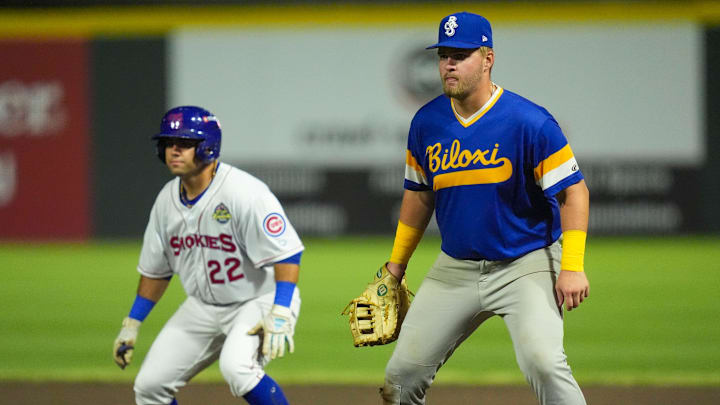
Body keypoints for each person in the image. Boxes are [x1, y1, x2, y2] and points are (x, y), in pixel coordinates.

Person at [378, 12, 590, 405]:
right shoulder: (426, 123)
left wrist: (572, 266)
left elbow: (574, 193)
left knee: (544, 363)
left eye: (461, 54)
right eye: (444, 55)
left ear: (488, 58)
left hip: (525, 264)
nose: (449, 64)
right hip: (454, 269)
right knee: (401, 378)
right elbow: (419, 194)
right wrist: (396, 266)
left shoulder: (530, 122)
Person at [112, 106, 304, 405]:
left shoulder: (245, 192)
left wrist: (280, 311)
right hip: (202, 307)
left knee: (237, 368)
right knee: (149, 387)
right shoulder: (165, 201)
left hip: (258, 300)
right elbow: (156, 271)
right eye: (168, 143)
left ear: (208, 146)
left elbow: (288, 254)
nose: (173, 150)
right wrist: (132, 323)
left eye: (184, 143)